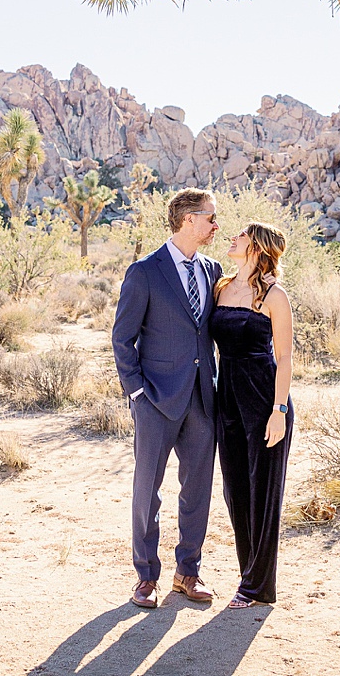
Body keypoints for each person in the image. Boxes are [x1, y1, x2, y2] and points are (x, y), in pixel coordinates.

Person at [111, 188, 222, 609]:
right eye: (211, 218)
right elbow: (122, 338)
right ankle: (146, 576)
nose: (215, 226)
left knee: (197, 489)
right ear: (189, 219)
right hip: (155, 398)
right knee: (148, 489)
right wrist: (137, 392)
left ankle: (187, 571)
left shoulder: (212, 271)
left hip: (201, 399)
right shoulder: (145, 271)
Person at [210, 222, 294, 608]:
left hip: (264, 399)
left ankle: (256, 588)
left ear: (257, 247)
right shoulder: (222, 288)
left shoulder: (276, 296)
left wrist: (279, 411)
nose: (232, 238)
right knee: (235, 492)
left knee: (263, 494)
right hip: (226, 397)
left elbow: (285, 358)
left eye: (241, 236)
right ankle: (249, 575)